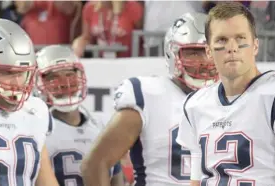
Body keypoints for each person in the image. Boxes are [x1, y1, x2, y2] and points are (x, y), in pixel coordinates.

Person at [177, 2, 275, 186]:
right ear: (209, 51)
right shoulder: (195, 105)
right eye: (222, 40)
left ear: (255, 46)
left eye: (240, 38)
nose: (232, 47)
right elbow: (196, 181)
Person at [81, 12, 220, 186]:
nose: (205, 61)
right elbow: (95, 164)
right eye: (194, 53)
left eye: (211, 52)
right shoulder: (148, 95)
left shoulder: (234, 99)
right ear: (173, 53)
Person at [0, 18, 59, 185]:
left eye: (23, 73)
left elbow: (45, 180)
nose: (18, 83)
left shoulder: (35, 110)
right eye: (7, 72)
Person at [33, 45, 125, 186]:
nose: (65, 83)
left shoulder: (101, 125)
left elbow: (117, 180)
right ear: (40, 83)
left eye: (70, 75)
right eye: (54, 78)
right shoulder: (37, 129)